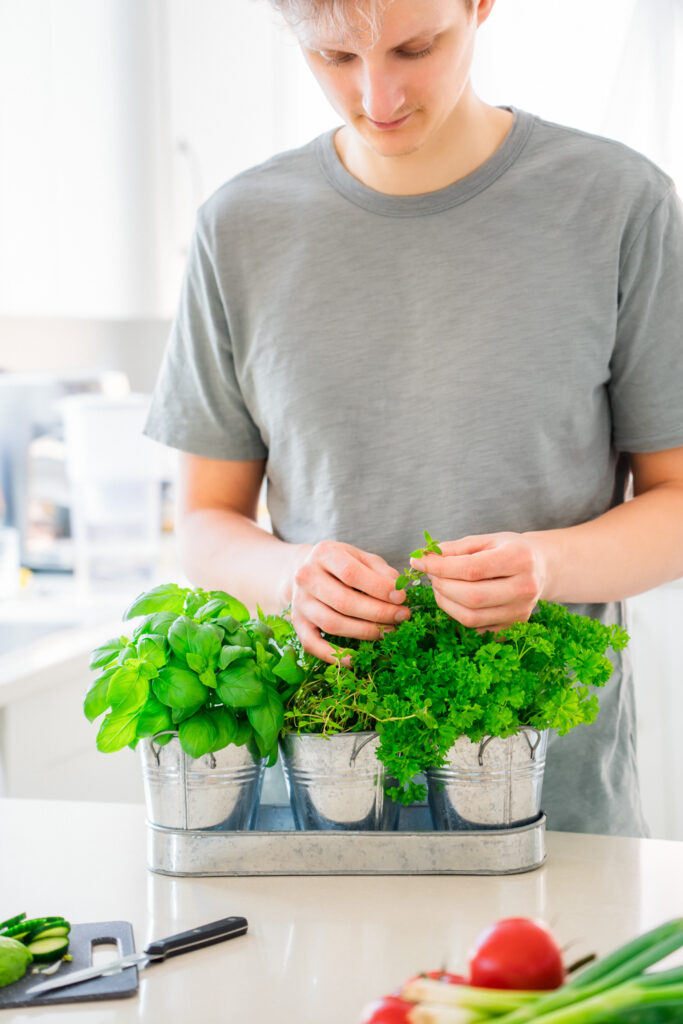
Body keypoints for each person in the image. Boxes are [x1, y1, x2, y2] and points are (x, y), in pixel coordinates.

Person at [144, 0, 683, 837]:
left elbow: (675, 500)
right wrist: (288, 578)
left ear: (478, 6)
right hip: (328, 800)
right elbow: (205, 520)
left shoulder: (616, 203)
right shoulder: (240, 226)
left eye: (413, 47)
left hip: (550, 803)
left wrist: (546, 565)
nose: (377, 95)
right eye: (333, 58)